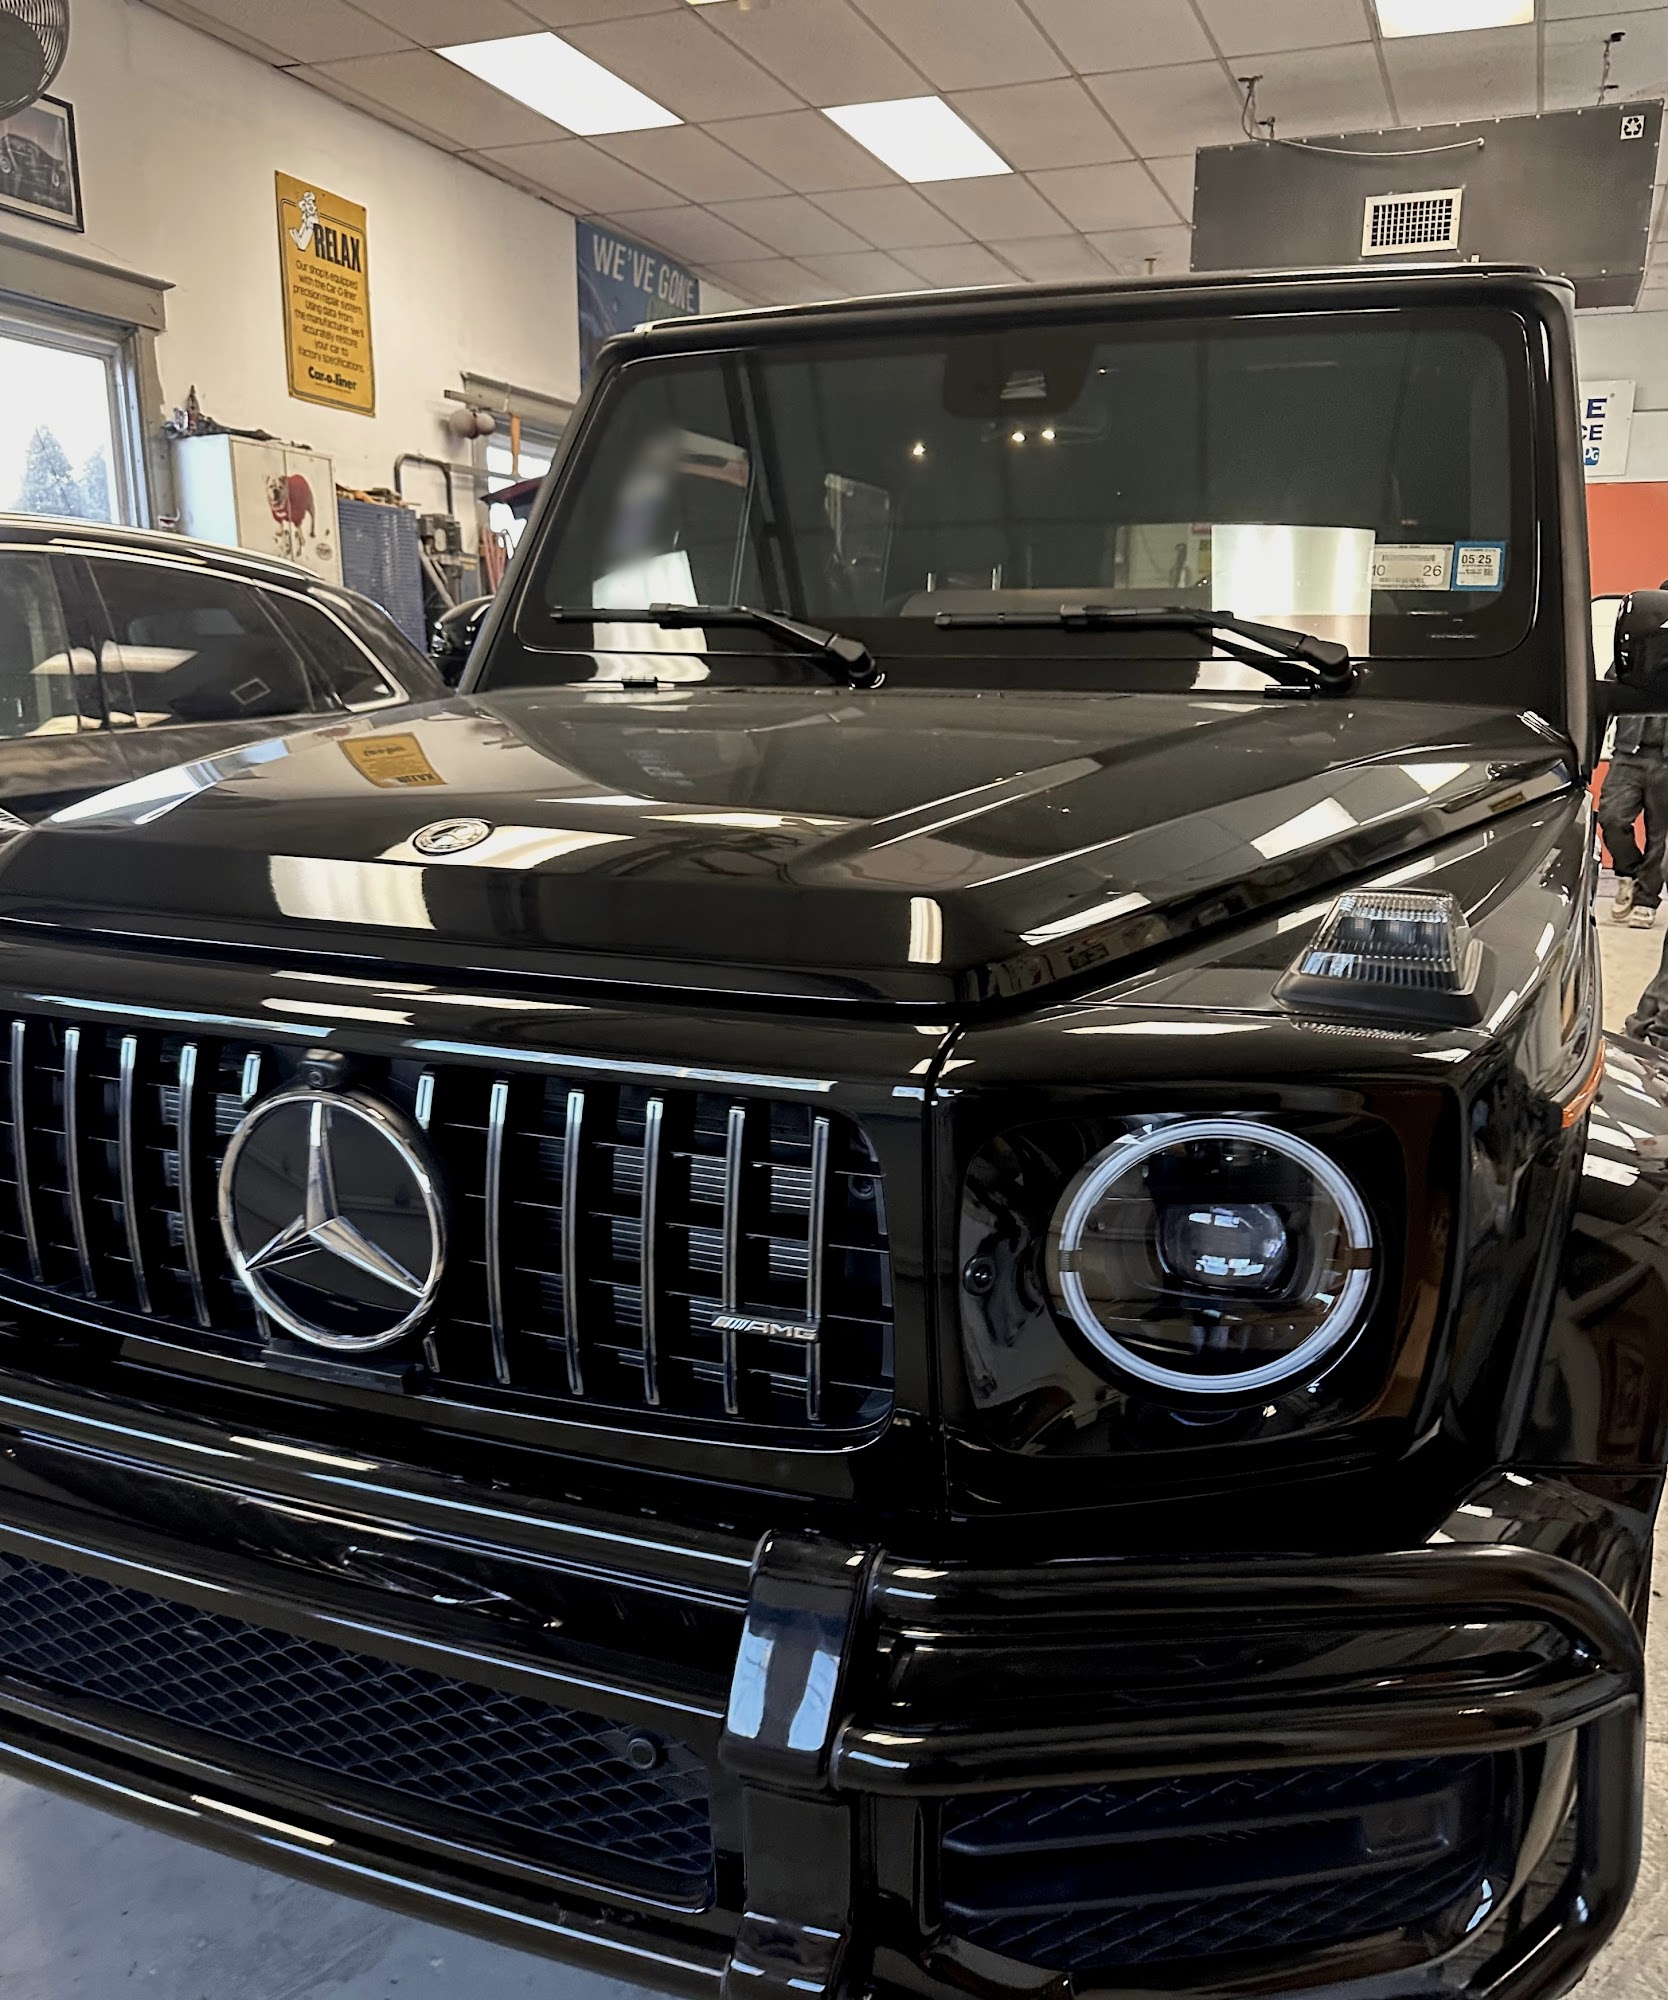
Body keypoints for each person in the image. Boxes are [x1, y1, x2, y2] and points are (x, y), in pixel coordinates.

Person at [1601, 589, 1668, 927]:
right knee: (1611, 818)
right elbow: (1611, 685)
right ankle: (1628, 873)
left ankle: (1646, 898)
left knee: (1661, 836)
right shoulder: (1638, 650)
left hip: (1666, 760)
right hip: (1629, 753)